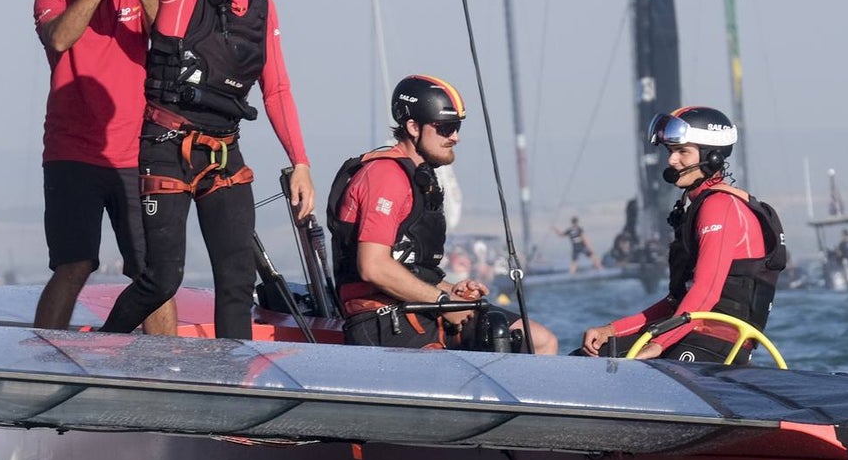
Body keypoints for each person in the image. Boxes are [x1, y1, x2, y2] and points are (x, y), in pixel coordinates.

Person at [35, 0, 314, 339]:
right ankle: (101, 351)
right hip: (165, 145)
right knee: (159, 277)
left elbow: (276, 90)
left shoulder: (263, 4)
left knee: (236, 278)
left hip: (223, 150)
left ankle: (234, 395)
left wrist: (301, 162)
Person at [328, 75, 557, 354]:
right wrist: (442, 302)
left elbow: (412, 267)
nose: (455, 137)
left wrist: (453, 292)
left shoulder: (421, 178)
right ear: (413, 126)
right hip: (381, 317)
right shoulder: (386, 176)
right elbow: (373, 266)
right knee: (445, 367)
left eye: (457, 127)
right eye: (445, 128)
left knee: (539, 340)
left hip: (418, 305)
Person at [32, 0, 176, 334]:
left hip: (136, 154)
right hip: (71, 152)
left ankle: (167, 370)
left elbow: (170, 37)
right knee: (73, 264)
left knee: (153, 273)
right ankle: (41, 358)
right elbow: (59, 37)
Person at [581, 106, 786, 363]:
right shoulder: (701, 205)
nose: (671, 160)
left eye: (682, 152)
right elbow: (675, 303)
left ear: (711, 157)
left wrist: (658, 344)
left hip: (714, 344)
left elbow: (707, 290)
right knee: (589, 356)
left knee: (601, 365)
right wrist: (612, 330)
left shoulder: (719, 206)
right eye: (670, 151)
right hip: (690, 330)